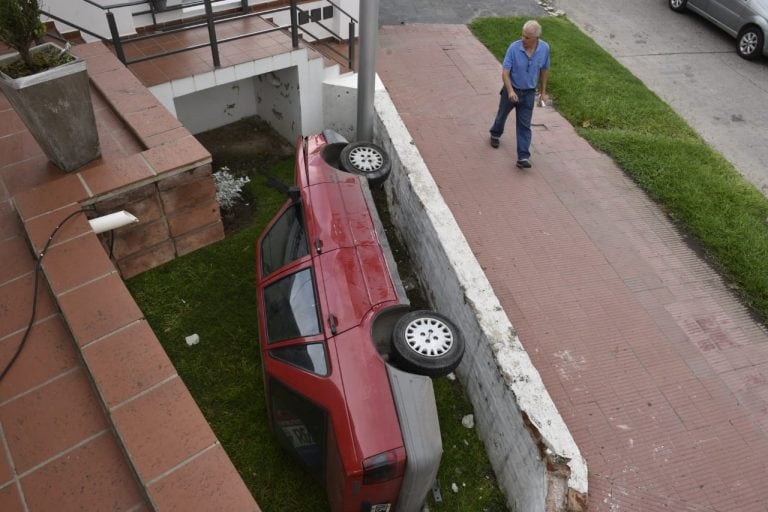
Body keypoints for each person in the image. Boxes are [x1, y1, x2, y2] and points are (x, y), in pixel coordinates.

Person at [489, 20, 550, 169]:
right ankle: (495, 133)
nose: (523, 39)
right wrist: (510, 91)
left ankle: (523, 157)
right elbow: (505, 72)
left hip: (528, 94)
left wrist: (543, 92)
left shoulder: (544, 48)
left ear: (536, 38)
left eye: (527, 37)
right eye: (523, 35)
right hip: (512, 90)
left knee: (524, 126)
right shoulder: (514, 48)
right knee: (501, 115)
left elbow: (544, 69)